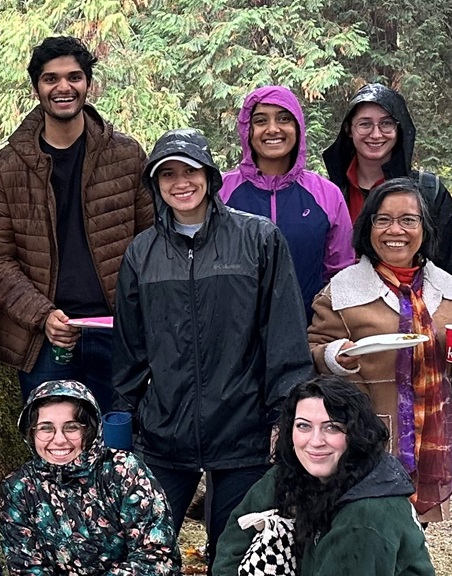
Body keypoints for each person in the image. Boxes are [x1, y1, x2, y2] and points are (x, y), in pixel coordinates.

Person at [113, 128, 309, 562]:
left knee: (234, 554)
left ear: (210, 175)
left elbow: (284, 334)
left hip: (244, 431)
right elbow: (130, 350)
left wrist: (284, 415)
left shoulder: (258, 239)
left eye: (190, 171)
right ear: (155, 184)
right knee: (145, 551)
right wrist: (126, 419)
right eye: (168, 174)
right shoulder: (141, 253)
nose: (181, 182)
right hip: (164, 433)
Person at [307, 179, 452, 523]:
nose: (396, 230)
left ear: (425, 228)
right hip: (363, 435)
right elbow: (313, 348)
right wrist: (336, 356)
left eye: (409, 220)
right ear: (368, 227)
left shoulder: (448, 293)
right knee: (365, 530)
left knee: (413, 540)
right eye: (383, 219)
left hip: (429, 438)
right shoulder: (343, 291)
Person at [0, 36, 150, 409]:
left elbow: (151, 241)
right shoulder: (8, 167)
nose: (63, 87)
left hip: (117, 333)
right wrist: (43, 315)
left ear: (88, 84)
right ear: (36, 87)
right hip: (45, 339)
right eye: (50, 79)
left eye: (74, 77)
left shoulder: (125, 156)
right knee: (54, 452)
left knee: (120, 450)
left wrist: (136, 315)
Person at [212, 377, 435, 574]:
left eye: (332, 427)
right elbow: (233, 543)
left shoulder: (365, 517)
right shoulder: (291, 474)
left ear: (356, 434)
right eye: (303, 426)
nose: (315, 441)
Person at [0, 380, 176, 575]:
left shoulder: (124, 471)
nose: (59, 440)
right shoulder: (19, 488)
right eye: (45, 428)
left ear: (89, 429)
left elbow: (158, 558)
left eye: (71, 427)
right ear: (31, 433)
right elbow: (26, 567)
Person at [221, 86, 354, 311]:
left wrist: (326, 328)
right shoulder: (220, 191)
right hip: (235, 336)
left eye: (284, 119)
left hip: (307, 333)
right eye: (261, 121)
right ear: (247, 130)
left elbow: (341, 273)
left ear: (298, 127)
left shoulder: (326, 194)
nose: (273, 129)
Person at [319, 84, 452, 276]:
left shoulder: (429, 192)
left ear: (399, 128)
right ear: (348, 129)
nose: (376, 134)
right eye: (365, 124)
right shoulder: (328, 193)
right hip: (341, 301)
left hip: (414, 302)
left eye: (386, 123)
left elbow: (448, 270)